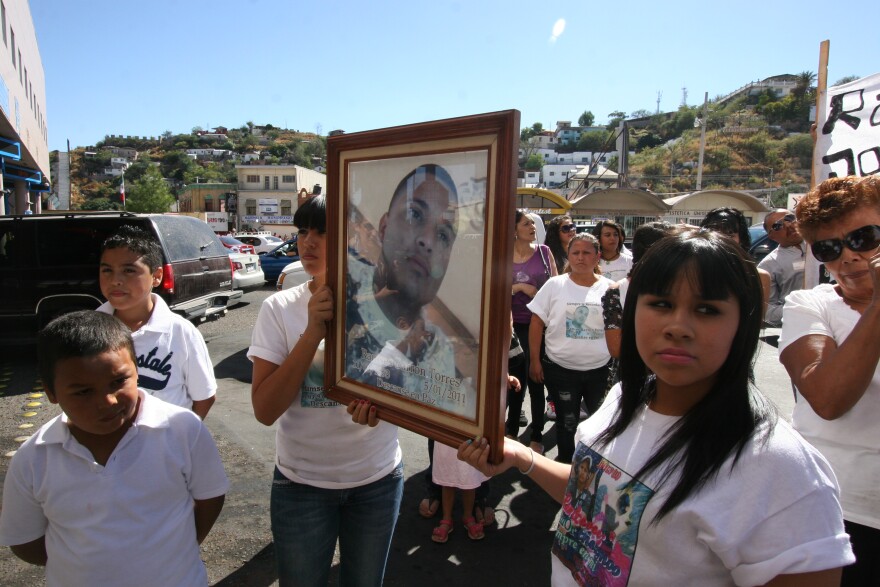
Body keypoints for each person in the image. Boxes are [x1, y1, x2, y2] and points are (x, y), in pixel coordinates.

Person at [460, 230, 853, 586]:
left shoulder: (782, 471)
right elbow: (596, 492)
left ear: (743, 322)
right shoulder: (623, 399)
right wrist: (521, 457)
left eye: (707, 309)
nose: (677, 326)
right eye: (661, 303)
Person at [0, 311, 228, 586]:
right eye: (83, 391)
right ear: (51, 392)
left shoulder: (182, 430)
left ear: (137, 370)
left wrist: (174, 548)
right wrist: (88, 561)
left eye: (118, 382)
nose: (107, 401)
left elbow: (210, 497)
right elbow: (25, 542)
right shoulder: (34, 457)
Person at [249, 196, 403, 587]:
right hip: (301, 484)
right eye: (302, 231)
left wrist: (383, 405)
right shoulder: (278, 308)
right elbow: (265, 410)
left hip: (378, 480)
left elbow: (404, 386)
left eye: (323, 232)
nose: (307, 242)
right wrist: (313, 331)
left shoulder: (387, 307)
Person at [779, 175, 880, 586]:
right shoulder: (810, 303)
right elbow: (828, 398)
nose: (848, 257)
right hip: (838, 507)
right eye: (828, 248)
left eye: (864, 237)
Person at [345, 164, 473, 418]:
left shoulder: (440, 348)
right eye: (415, 214)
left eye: (444, 235)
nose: (427, 240)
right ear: (383, 227)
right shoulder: (345, 303)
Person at [96, 225, 216, 419]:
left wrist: (181, 438)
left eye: (129, 270)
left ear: (157, 276)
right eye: (107, 270)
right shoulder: (89, 331)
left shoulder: (180, 332)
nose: (116, 280)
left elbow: (204, 396)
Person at [528, 233, 613, 463]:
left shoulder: (609, 289)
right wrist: (534, 360)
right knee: (567, 423)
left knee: (598, 424)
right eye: (575, 253)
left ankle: (592, 470)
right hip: (560, 371)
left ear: (597, 257)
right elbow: (536, 322)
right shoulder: (554, 285)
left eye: (587, 253)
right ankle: (566, 469)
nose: (580, 258)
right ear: (568, 256)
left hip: (599, 372)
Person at [509, 209, 557, 452]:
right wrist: (515, 287)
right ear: (514, 228)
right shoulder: (502, 255)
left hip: (537, 325)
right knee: (513, 382)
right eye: (526, 223)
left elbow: (555, 291)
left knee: (536, 377)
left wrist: (531, 291)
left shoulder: (544, 252)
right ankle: (510, 431)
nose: (532, 227)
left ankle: (537, 434)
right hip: (509, 326)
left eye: (533, 224)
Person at [701, 207, 772, 316]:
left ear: (741, 240)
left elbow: (757, 323)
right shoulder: (690, 273)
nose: (721, 238)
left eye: (730, 234)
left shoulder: (760, 278)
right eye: (715, 232)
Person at [430, 441, 489, 543]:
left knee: (469, 478)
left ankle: (468, 516)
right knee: (447, 478)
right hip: (447, 436)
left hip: (470, 435)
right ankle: (446, 518)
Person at [758, 208, 806, 327]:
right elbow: (767, 312)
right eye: (778, 226)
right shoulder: (768, 265)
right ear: (771, 235)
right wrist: (799, 310)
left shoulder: (822, 247)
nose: (789, 225)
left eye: (790, 218)